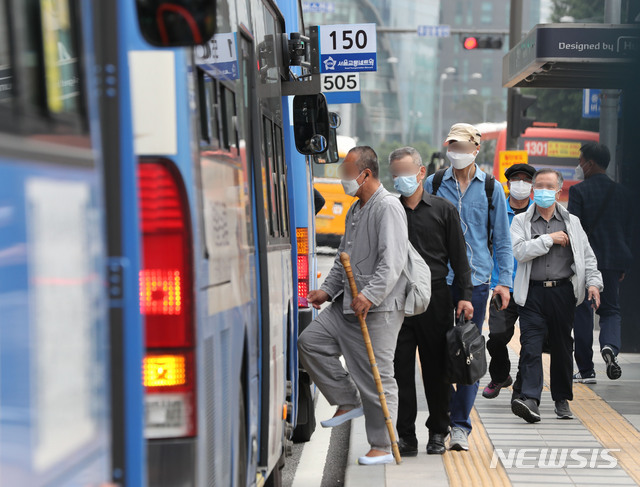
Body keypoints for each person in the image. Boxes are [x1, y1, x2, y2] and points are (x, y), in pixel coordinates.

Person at [298, 146, 408, 466]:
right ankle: (346, 400)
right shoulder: (355, 209)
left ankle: (383, 445)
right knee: (311, 341)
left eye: (347, 173)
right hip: (346, 304)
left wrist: (371, 294)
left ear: (366, 174)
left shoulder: (387, 207)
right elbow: (342, 259)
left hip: (378, 309)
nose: (344, 179)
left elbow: (393, 262)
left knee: (376, 377)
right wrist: (327, 291)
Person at [425, 123, 513, 451]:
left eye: (462, 147)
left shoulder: (491, 188)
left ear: (476, 150)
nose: (456, 153)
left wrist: (504, 282)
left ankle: (460, 424)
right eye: (452, 146)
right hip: (437, 281)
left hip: (476, 283)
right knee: (435, 352)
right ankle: (443, 414)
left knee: (467, 353)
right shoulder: (434, 183)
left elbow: (502, 240)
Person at [389, 147, 474, 456]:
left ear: (421, 172)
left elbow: (460, 258)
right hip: (396, 298)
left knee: (436, 369)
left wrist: (464, 296)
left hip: (435, 297)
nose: (401, 180)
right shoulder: (390, 210)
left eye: (406, 173)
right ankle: (405, 435)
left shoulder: (443, 209)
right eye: (396, 175)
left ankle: (438, 431)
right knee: (398, 370)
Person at [510, 168, 603, 423]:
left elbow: (588, 258)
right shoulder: (521, 222)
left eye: (548, 186)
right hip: (532, 293)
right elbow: (519, 251)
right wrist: (548, 239)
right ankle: (530, 399)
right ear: (532, 190)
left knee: (563, 347)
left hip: (562, 292)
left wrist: (594, 284)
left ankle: (562, 399)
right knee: (530, 346)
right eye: (538, 186)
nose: (542, 190)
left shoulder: (572, 222)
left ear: (558, 191)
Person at [569, 142, 633, 383]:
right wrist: (624, 266)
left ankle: (586, 370)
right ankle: (610, 347)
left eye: (580, 160)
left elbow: (575, 230)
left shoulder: (579, 191)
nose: (578, 165)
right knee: (611, 309)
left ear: (590, 163)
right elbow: (628, 232)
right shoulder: (624, 193)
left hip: (587, 262)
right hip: (614, 260)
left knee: (583, 311)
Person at [482, 164, 535, 399]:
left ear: (532, 186)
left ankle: (522, 388)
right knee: (496, 339)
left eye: (526, 180)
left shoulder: (539, 213)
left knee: (530, 341)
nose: (520, 184)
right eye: (516, 179)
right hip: (502, 285)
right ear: (508, 183)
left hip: (533, 287)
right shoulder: (496, 209)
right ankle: (501, 376)